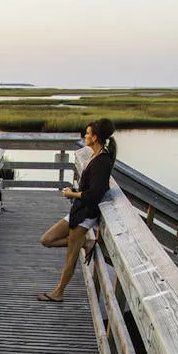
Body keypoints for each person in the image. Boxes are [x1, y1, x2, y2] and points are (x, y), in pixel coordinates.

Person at [36, 118, 117, 302]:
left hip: (85, 215)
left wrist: (73, 195)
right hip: (77, 211)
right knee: (46, 240)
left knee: (70, 259)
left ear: (95, 138)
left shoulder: (102, 162)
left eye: (88, 133)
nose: (85, 136)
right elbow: (90, 189)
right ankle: (84, 244)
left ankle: (58, 293)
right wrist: (74, 193)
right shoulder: (94, 156)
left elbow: (94, 195)